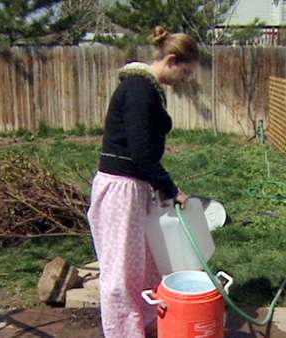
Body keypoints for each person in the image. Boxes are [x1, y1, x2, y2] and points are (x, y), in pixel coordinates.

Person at [87, 26, 200, 338]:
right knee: (121, 273)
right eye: (186, 72)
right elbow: (140, 152)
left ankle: (147, 324)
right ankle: (124, 333)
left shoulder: (148, 89)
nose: (186, 80)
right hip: (120, 189)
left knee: (146, 265)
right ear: (172, 60)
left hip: (134, 187)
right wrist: (169, 187)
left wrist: (157, 187)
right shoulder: (139, 89)